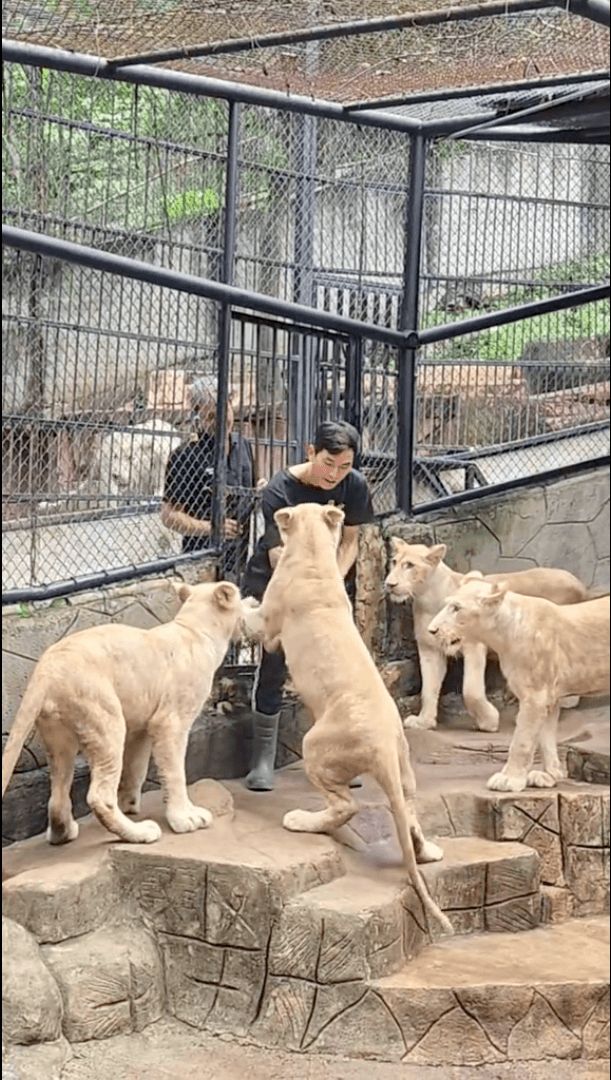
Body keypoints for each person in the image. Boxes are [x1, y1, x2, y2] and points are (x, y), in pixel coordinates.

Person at [242, 419, 374, 791]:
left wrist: (331, 580)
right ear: (311, 452)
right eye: (328, 463)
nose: (334, 474)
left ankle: (341, 755)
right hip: (279, 582)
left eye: (344, 466)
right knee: (275, 660)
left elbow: (350, 541)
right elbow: (278, 556)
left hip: (328, 583)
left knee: (335, 667)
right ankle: (262, 759)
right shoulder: (280, 490)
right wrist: (310, 590)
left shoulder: (355, 485)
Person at [161, 377, 256, 577]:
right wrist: (211, 528)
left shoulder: (243, 445)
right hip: (201, 562)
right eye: (212, 416)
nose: (220, 422)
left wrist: (260, 492)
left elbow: (250, 494)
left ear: (231, 405)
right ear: (198, 416)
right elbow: (169, 516)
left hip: (238, 561)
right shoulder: (185, 455)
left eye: (224, 412)